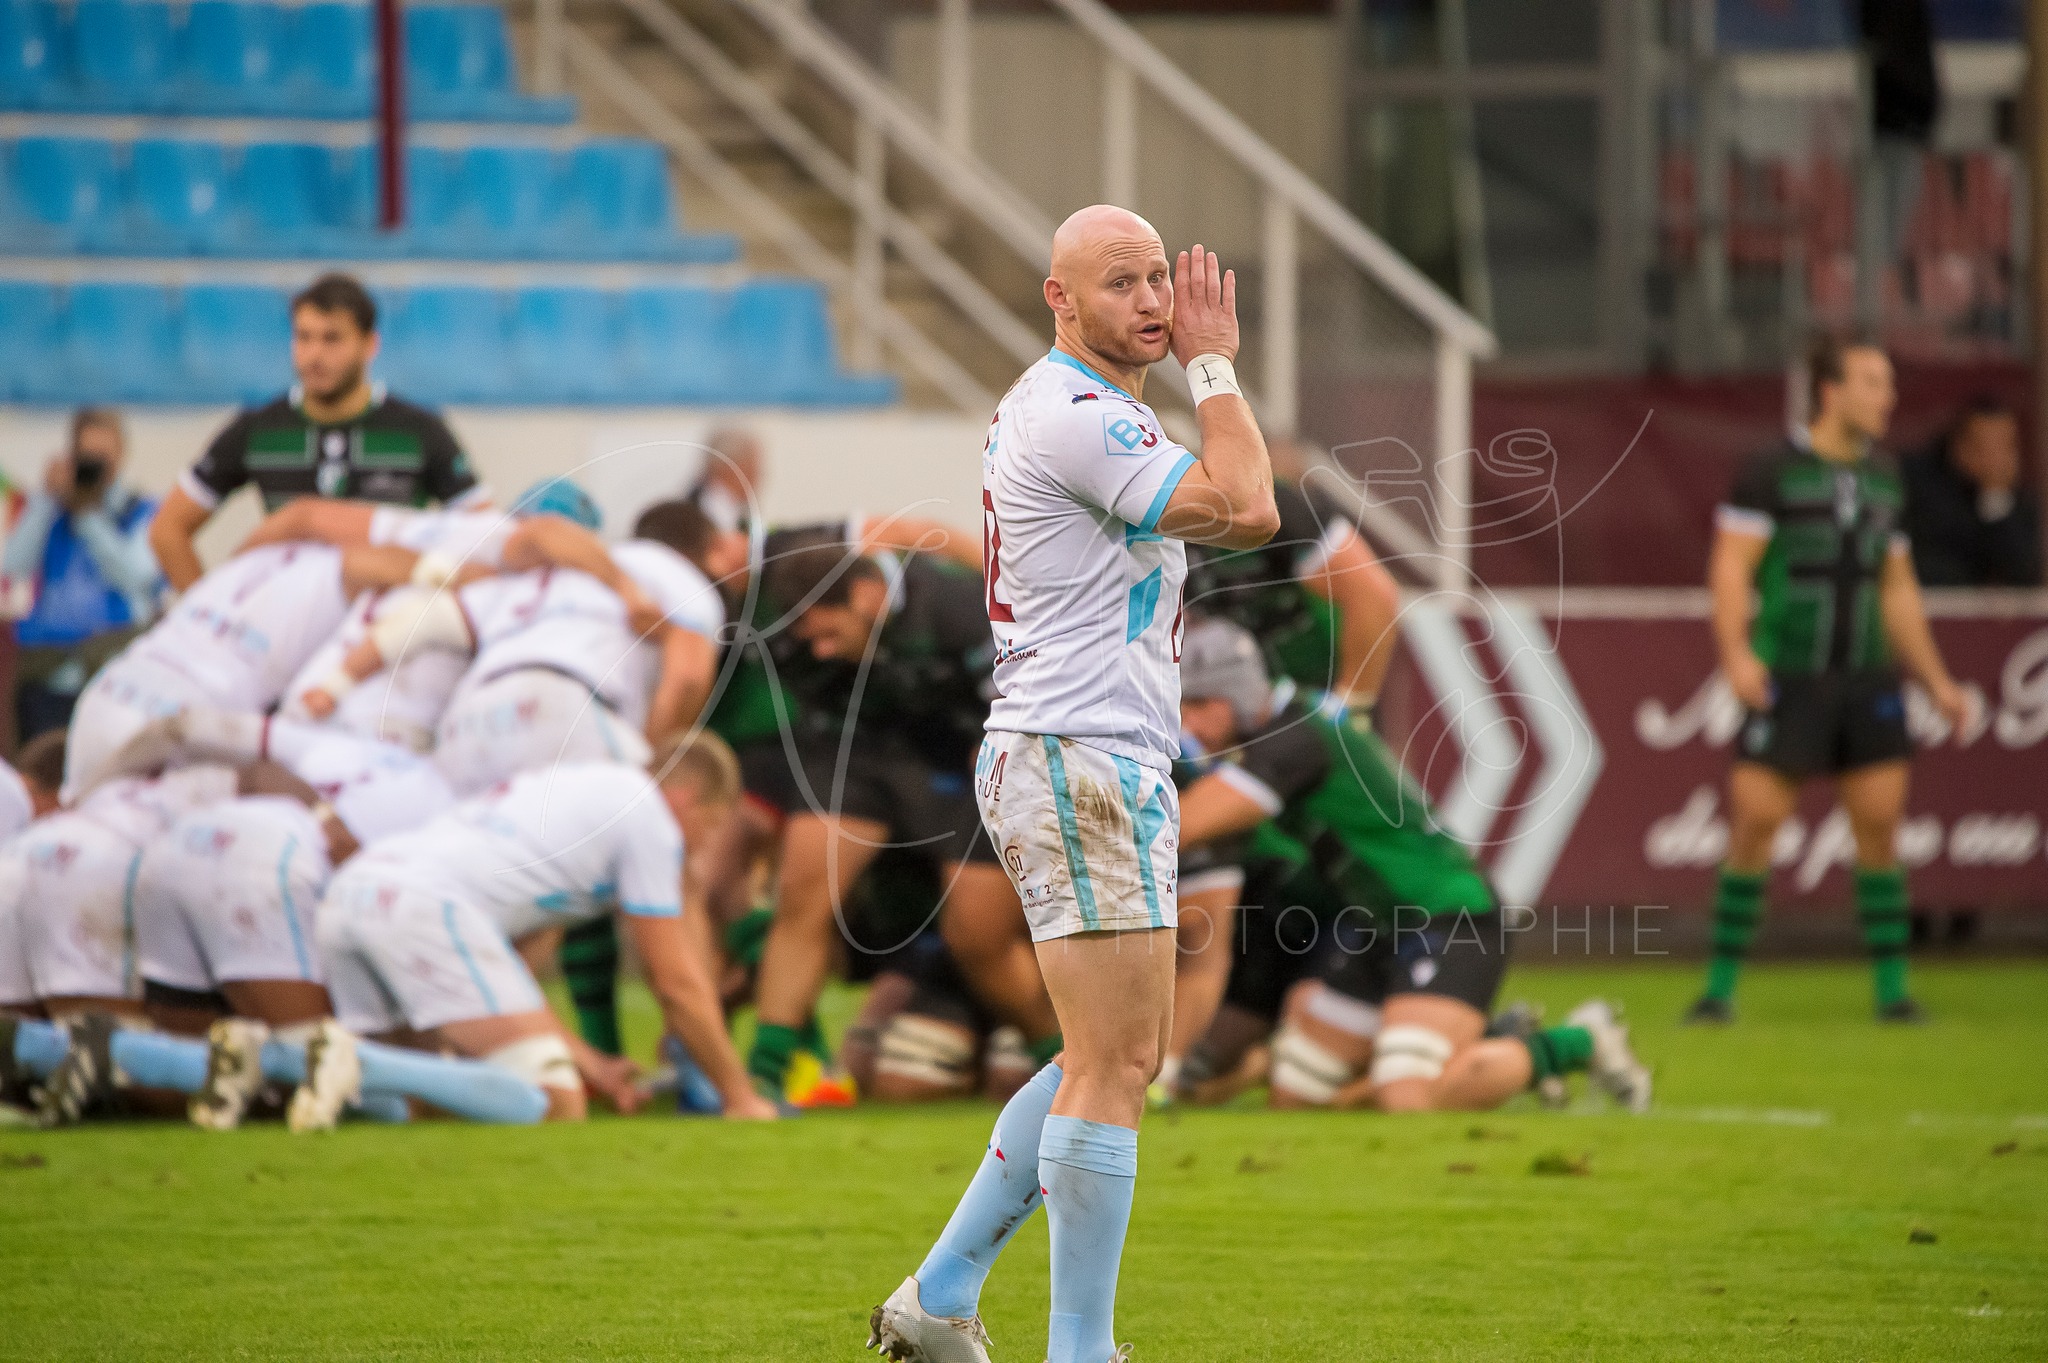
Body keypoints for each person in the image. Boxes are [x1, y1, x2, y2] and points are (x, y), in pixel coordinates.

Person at [867, 212, 1278, 1363]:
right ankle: (1080, 1352)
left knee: (1104, 1055)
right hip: (1074, 754)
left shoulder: (1089, 408)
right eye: (1120, 283)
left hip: (1088, 754)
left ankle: (938, 1298)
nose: (1151, 299)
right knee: (1112, 1065)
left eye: (1160, 279)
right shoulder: (1079, 413)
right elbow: (1252, 505)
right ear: (1059, 298)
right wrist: (1214, 362)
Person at [1167, 618, 1649, 1115]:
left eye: (1197, 705)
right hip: (1377, 926)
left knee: (1408, 1095)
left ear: (1235, 696)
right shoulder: (1289, 726)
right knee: (1297, 1095)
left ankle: (1578, 1041)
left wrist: (1098, 834)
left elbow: (1186, 825)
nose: (1189, 726)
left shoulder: (1293, 736)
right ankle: (1487, 1041)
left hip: (1446, 913)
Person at [1689, 336, 1971, 1025]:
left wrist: (1935, 678)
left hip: (1867, 678)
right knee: (1756, 823)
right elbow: (1731, 569)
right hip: (1790, 675)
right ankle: (1719, 990)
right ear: (1830, 391)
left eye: (1889, 384)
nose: (1888, 397)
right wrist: (1736, 654)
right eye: (1873, 383)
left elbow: (1897, 587)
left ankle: (1894, 993)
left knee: (1878, 827)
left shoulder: (1885, 476)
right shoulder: (1771, 472)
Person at [307, 737, 779, 1126]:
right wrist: (738, 1095)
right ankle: (322, 1061)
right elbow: (675, 982)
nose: (703, 844)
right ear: (685, 798)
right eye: (711, 825)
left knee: (406, 1109)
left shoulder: (577, 791)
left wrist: (594, 1065)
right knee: (554, 1102)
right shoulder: (647, 816)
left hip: (355, 893)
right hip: (423, 905)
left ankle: (292, 1058)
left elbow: (515, 984)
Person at [744, 540, 1057, 1103]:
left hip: (975, 763)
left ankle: (1062, 1063)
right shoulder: (797, 619)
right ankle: (763, 1079)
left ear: (867, 596)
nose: (816, 651)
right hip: (863, 750)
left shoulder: (964, 608)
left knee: (976, 930)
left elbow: (1028, 712)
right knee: (802, 892)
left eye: (826, 633)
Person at [147, 273, 485, 593]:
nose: (314, 355)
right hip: (287, 617)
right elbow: (168, 530)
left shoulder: (420, 430)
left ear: (370, 344)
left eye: (332, 338)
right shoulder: (256, 428)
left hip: (379, 613)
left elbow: (485, 531)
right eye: (304, 337)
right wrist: (205, 613)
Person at [2, 408, 162, 744]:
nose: (95, 466)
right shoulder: (51, 507)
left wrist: (89, 517)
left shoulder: (142, 510)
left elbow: (138, 577)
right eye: (87, 456)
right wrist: (47, 499)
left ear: (121, 455)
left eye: (103, 457)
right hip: (49, 675)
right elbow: (12, 565)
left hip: (114, 669)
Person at [1902, 396, 2042, 587]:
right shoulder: (1919, 486)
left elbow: (2022, 574)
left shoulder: (2020, 502)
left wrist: (1994, 496)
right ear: (1959, 447)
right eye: (1985, 447)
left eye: (2004, 446)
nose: (1995, 459)